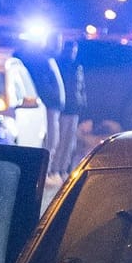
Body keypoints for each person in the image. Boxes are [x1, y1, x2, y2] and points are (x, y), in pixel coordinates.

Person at [55, 38, 87, 175]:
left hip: (74, 108)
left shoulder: (77, 66)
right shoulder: (61, 65)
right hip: (64, 109)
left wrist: (83, 104)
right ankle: (55, 169)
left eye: (74, 50)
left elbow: (81, 87)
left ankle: (63, 169)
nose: (72, 53)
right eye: (70, 50)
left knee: (69, 142)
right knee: (60, 141)